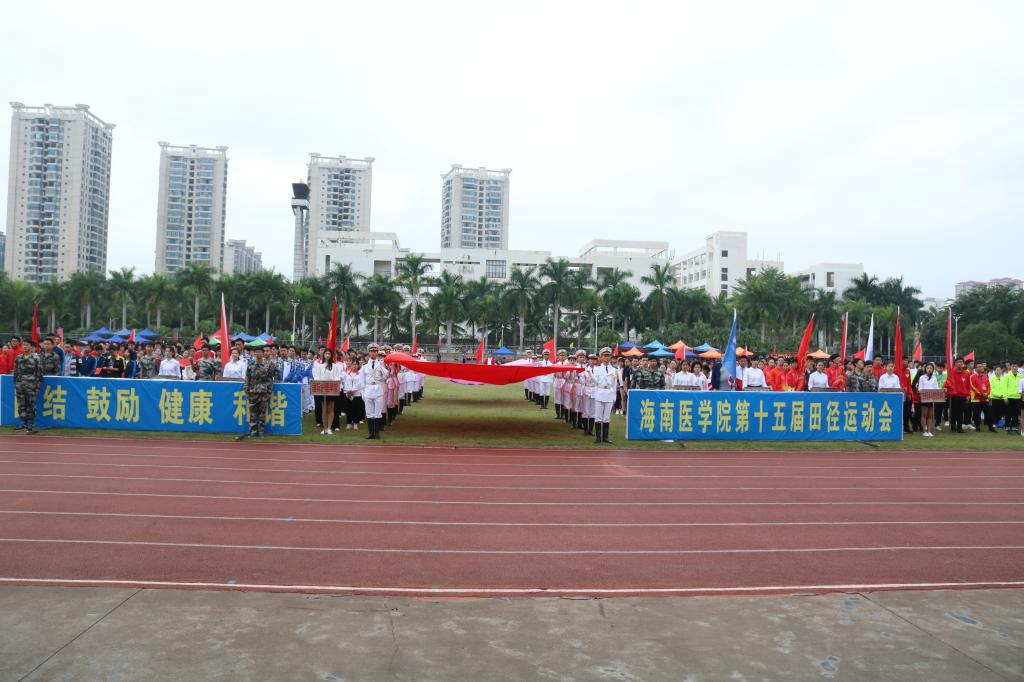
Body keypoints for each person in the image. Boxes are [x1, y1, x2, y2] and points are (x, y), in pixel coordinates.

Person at [237, 346, 277, 440]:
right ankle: (253, 432)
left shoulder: (267, 366)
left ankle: (261, 432)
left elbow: (270, 379)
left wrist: (269, 391)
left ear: (263, 354)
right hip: (252, 392)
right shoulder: (250, 365)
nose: (258, 354)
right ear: (254, 354)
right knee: (253, 414)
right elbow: (247, 379)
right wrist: (246, 391)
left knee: (262, 414)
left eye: (260, 352)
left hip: (263, 392)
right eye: (256, 352)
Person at [13, 341, 43, 433]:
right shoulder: (18, 358)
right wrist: (16, 384)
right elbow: (15, 372)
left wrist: (38, 387)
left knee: (31, 405)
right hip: (20, 386)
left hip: (31, 386)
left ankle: (30, 425)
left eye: (27, 345)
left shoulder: (36, 358)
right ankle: (24, 423)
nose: (25, 347)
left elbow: (39, 374)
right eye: (24, 345)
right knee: (21, 405)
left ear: (31, 347)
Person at [360, 343, 387, 440]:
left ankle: (377, 433)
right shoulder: (364, 366)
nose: (373, 353)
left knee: (378, 412)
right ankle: (371, 433)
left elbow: (385, 376)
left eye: (375, 351)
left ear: (377, 352)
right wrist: (363, 392)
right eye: (371, 351)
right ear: (368, 352)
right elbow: (362, 381)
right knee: (369, 412)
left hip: (378, 388)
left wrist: (382, 368)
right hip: (368, 389)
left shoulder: (380, 364)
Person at [591, 348, 618, 444]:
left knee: (606, 417)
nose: (606, 357)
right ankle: (598, 437)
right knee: (598, 417)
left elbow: (615, 384)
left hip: (609, 394)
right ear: (601, 357)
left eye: (608, 356)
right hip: (600, 393)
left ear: (610, 357)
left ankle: (605, 437)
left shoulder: (614, 369)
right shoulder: (597, 369)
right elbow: (595, 383)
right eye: (604, 355)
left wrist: (614, 396)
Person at [313, 348, 341, 435]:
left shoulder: (335, 366)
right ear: (323, 355)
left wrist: (334, 383)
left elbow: (337, 377)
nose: (327, 355)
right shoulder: (319, 366)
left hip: (331, 389)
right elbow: (317, 377)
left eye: (329, 354)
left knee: (331, 409)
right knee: (324, 409)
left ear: (331, 355)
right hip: (322, 389)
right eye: (326, 354)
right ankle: (324, 428)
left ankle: (329, 428)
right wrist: (320, 385)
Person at [945, 358, 970, 434]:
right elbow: (947, 383)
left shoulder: (966, 373)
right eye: (958, 362)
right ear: (955, 363)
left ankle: (959, 428)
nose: (960, 363)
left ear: (963, 363)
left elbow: (968, 386)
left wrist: (968, 395)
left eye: (961, 362)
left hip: (963, 396)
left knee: (961, 412)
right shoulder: (951, 372)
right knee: (953, 412)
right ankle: (953, 427)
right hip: (954, 396)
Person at [916, 362, 939, 437]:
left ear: (933, 369)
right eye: (928, 368)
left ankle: (929, 431)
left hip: (932, 398)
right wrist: (923, 392)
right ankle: (924, 431)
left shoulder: (934, 378)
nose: (929, 369)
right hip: (924, 398)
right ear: (925, 369)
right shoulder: (922, 377)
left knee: (930, 416)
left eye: (931, 368)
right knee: (924, 415)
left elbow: (936, 388)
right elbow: (920, 388)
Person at [970, 363, 994, 432]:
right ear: (975, 368)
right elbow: (973, 386)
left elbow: (989, 386)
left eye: (982, 366)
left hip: (985, 398)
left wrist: (987, 393)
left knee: (989, 413)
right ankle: (977, 427)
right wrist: (981, 393)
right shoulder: (972, 376)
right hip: (976, 398)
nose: (981, 367)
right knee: (977, 414)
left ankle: (991, 427)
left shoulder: (985, 376)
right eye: (979, 366)